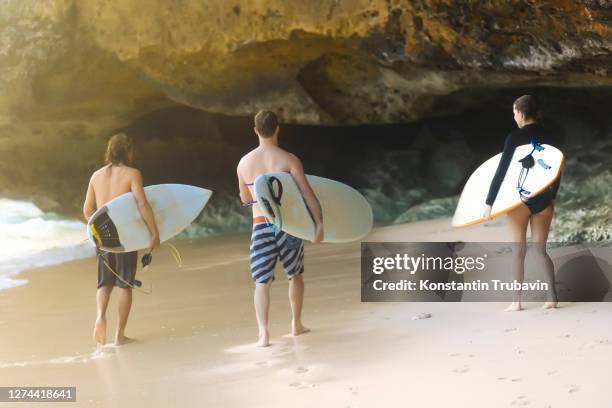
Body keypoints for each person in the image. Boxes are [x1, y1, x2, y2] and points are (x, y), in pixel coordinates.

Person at [237, 110, 324, 347]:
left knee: (261, 282)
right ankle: (296, 324)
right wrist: (318, 225)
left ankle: (263, 334)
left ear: (255, 130)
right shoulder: (289, 160)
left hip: (261, 226)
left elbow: (246, 199)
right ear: (277, 129)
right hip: (288, 227)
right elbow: (308, 196)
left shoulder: (244, 163)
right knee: (294, 274)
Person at [483, 95, 560, 311]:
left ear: (522, 114)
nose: (514, 116)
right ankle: (552, 297)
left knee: (518, 251)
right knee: (540, 250)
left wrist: (489, 203)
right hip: (544, 199)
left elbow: (501, 171)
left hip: (520, 201)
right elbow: (557, 168)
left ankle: (516, 302)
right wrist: (553, 195)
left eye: (515, 112)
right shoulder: (549, 135)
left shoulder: (514, 137)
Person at [83, 133, 160, 347]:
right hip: (125, 236)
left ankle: (100, 316)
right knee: (125, 285)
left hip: (104, 238)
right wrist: (154, 233)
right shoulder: (133, 174)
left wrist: (98, 228)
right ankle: (119, 336)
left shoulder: (96, 176)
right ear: (128, 151)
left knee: (104, 283)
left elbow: (87, 210)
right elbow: (142, 204)